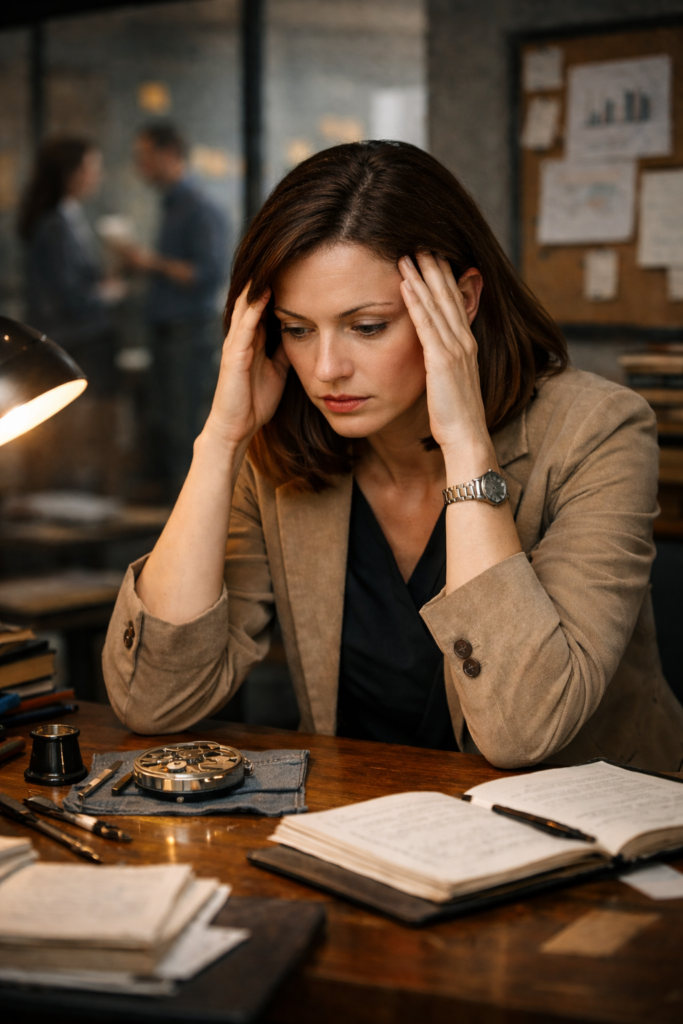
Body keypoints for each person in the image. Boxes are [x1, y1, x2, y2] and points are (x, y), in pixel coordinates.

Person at [103, 141, 683, 772]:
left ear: (461, 301)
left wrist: (465, 442)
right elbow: (153, 701)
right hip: (358, 834)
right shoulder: (282, 453)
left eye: (368, 326)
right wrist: (220, 441)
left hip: (586, 847)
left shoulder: (598, 432)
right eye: (298, 330)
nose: (326, 370)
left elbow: (523, 730)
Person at [121, 122, 230, 497]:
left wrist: (149, 263)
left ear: (170, 155)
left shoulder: (201, 207)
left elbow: (209, 274)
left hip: (189, 332)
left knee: (187, 429)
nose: (141, 167)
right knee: (166, 425)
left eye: (146, 158)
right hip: (165, 332)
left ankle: (193, 524)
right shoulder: (170, 206)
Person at [18, 137, 124, 394]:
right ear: (70, 174)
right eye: (91, 168)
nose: (97, 176)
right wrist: (107, 293)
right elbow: (67, 294)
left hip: (77, 336)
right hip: (75, 339)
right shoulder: (55, 224)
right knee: (85, 420)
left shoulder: (68, 215)